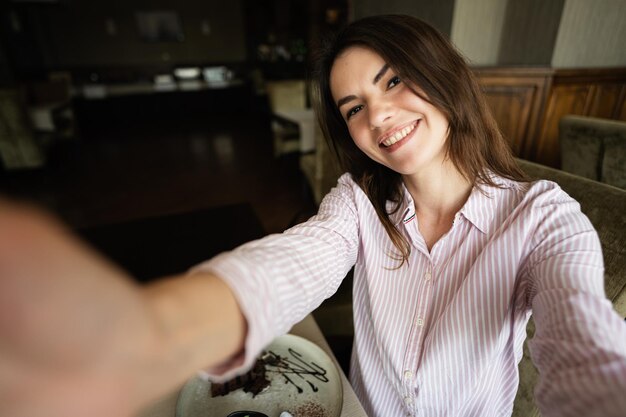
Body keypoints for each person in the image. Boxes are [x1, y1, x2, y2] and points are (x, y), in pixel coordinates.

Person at [0, 14, 625, 417]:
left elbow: (582, 341)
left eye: (394, 80)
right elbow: (294, 262)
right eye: (353, 107)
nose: (378, 116)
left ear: (447, 76)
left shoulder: (543, 218)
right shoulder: (358, 203)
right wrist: (148, 333)